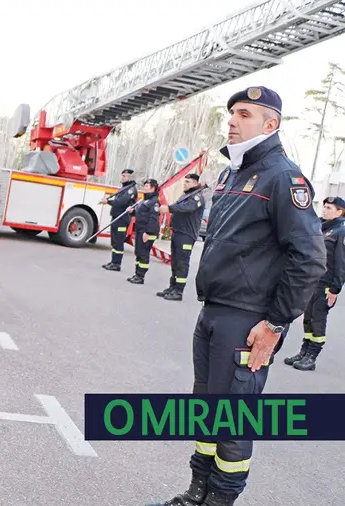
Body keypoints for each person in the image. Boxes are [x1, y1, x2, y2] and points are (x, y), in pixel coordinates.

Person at [148, 86, 325, 506]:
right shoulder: (232, 173)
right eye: (231, 113)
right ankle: (197, 492)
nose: (231, 120)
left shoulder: (284, 177)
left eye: (244, 114)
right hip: (214, 313)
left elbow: (310, 257)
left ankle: (221, 499)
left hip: (247, 320)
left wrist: (276, 324)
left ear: (270, 124)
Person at [283, 195, 345, 371]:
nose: (324, 209)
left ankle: (312, 356)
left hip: (326, 284)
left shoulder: (341, 231)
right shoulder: (319, 226)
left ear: (340, 212)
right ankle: (304, 352)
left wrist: (335, 288)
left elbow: (342, 262)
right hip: (312, 282)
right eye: (324, 206)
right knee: (308, 319)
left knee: (318, 320)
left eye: (329, 208)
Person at [157, 173, 206, 300]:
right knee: (175, 261)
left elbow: (186, 208)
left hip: (187, 234)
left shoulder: (197, 197)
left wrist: (168, 208)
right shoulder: (187, 195)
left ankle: (179, 291)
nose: (185, 184)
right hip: (178, 232)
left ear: (195, 183)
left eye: (188, 182)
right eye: (185, 182)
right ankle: (172, 287)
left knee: (182, 263)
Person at [100, 168, 137, 271]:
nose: (122, 177)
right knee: (114, 241)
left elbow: (121, 202)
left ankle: (117, 264)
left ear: (130, 177)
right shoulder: (124, 188)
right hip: (116, 217)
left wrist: (108, 202)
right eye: (122, 175)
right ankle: (113, 262)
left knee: (119, 242)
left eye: (125, 176)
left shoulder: (131, 189)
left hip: (122, 218)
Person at [126, 178, 160, 284]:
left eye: (147, 186)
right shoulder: (145, 200)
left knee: (144, 254)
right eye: (144, 185)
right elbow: (141, 214)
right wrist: (132, 212)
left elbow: (153, 219)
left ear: (153, 188)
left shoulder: (154, 202)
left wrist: (148, 233)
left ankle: (141, 276)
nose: (144, 188)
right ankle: (137, 274)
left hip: (147, 232)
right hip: (140, 231)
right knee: (139, 253)